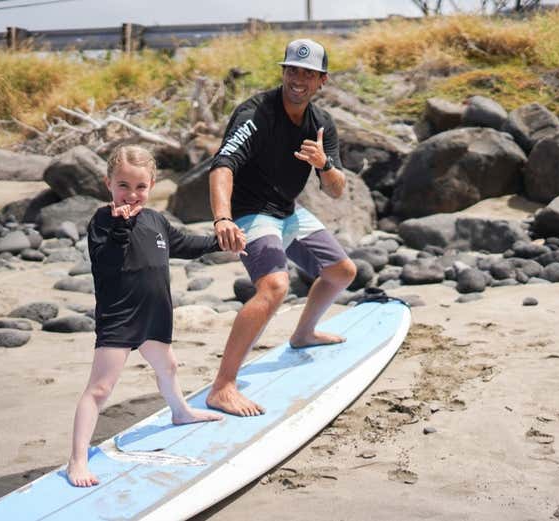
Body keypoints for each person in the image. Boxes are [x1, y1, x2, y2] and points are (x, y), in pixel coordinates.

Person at [206, 38, 357, 417]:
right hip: (250, 212)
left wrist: (324, 164)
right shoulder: (255, 114)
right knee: (274, 286)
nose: (298, 79)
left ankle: (303, 334)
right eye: (293, 70)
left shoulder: (321, 124)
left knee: (342, 271)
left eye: (308, 73)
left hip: (287, 212)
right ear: (283, 72)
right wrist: (223, 218)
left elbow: (337, 190)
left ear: (322, 81)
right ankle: (222, 387)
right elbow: (222, 165)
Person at [67, 145, 226, 487]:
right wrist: (121, 227)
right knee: (99, 389)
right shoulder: (102, 221)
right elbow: (106, 259)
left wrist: (219, 243)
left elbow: (183, 244)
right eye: (123, 185)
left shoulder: (155, 220)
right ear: (108, 182)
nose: (131, 194)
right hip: (120, 317)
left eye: (140, 187)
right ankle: (77, 460)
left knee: (168, 366)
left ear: (152, 185)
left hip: (154, 314)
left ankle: (180, 412)